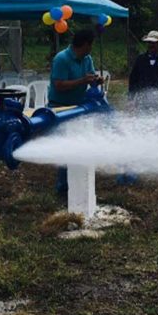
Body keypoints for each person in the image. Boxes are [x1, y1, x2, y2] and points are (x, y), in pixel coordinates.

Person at [48, 29, 102, 194]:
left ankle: (78, 181)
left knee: (79, 145)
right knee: (65, 147)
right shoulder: (62, 59)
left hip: (79, 107)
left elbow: (90, 76)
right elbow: (59, 85)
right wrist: (82, 81)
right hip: (60, 107)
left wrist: (95, 80)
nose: (91, 48)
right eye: (90, 45)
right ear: (85, 44)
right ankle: (62, 186)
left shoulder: (87, 59)